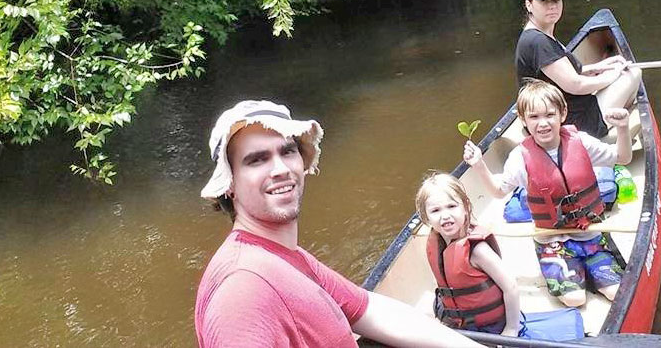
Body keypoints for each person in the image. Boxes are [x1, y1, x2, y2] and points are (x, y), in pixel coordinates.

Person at [194, 100, 482, 348]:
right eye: (257, 160)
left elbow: (370, 310)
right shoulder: (242, 292)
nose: (280, 169)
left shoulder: (286, 258)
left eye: (287, 151)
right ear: (229, 184)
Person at [463, 81, 630, 307]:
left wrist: (622, 127)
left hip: (590, 233)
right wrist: (480, 165)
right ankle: (570, 268)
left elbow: (623, 157)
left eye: (550, 114)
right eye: (534, 117)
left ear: (563, 114)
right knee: (574, 299)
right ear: (523, 120)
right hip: (552, 239)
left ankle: (592, 269)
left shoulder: (581, 141)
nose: (543, 123)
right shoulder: (520, 158)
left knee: (616, 292)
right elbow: (499, 191)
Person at [516, 0, 641, 139]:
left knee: (621, 75)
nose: (552, 6)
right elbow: (575, 84)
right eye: (544, 1)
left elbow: (559, 73)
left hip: (564, 114)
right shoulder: (538, 41)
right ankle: (606, 138)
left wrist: (600, 67)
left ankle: (614, 126)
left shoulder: (539, 35)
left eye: (556, 0)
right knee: (633, 74)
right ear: (529, 5)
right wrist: (613, 74)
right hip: (571, 123)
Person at [415, 172, 521, 337]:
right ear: (426, 218)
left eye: (451, 206)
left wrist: (512, 328)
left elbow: (511, 287)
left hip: (489, 327)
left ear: (465, 207)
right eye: (435, 210)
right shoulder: (439, 243)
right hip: (456, 321)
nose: (445, 216)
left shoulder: (477, 250)